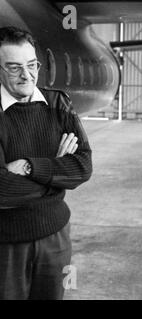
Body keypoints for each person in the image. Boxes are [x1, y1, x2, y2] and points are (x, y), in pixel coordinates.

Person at [0, 26, 92, 300]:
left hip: (56, 236)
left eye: (31, 65)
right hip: (6, 244)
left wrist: (30, 166)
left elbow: (83, 167)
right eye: (14, 68)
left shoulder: (58, 103)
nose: (27, 75)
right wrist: (55, 169)